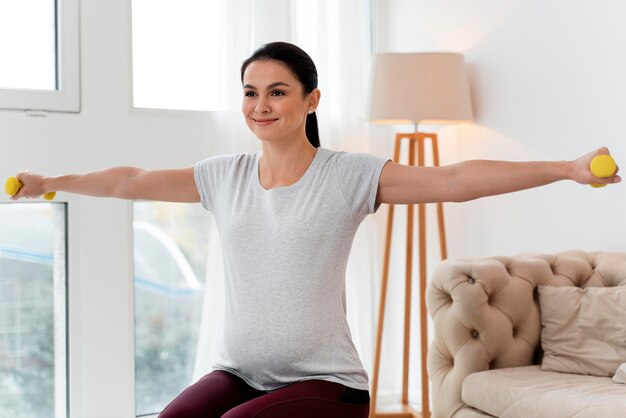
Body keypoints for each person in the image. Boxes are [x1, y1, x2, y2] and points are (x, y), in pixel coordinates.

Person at [10, 42, 620, 418]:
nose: (261, 105)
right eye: (250, 93)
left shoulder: (348, 176)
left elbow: (455, 178)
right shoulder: (224, 176)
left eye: (277, 92)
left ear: (311, 99)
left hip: (329, 385)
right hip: (239, 371)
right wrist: (51, 182)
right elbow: (132, 180)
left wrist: (564, 169)